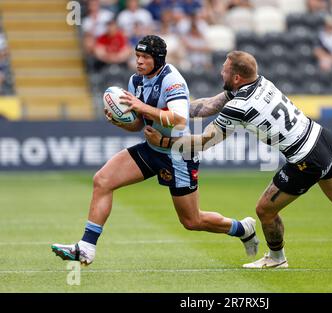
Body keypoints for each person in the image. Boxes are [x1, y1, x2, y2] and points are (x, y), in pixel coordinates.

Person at [144, 50, 332, 269]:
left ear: (236, 76)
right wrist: (172, 109)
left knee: (264, 209)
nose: (220, 73)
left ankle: (277, 259)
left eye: (224, 70)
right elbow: (208, 105)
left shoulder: (239, 106)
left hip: (305, 158)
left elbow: (203, 143)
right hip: (322, 137)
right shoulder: (259, 82)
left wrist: (164, 141)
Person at [51, 36, 259, 265]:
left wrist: (142, 107)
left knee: (192, 221)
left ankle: (242, 228)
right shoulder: (136, 81)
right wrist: (120, 121)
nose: (139, 61)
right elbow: (139, 124)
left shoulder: (172, 80)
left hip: (178, 154)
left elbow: (179, 120)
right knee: (102, 180)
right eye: (137, 56)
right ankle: (86, 247)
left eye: (145, 57)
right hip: (152, 149)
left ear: (158, 59)